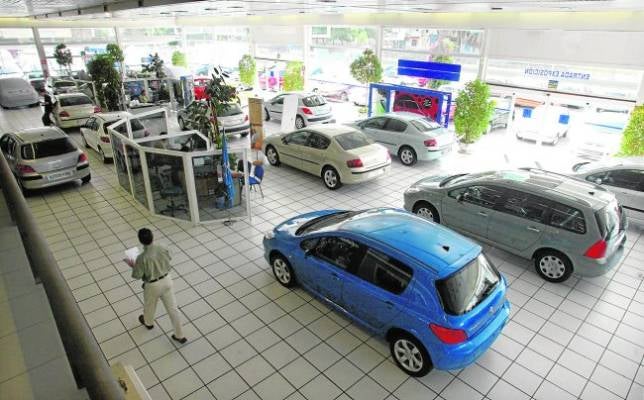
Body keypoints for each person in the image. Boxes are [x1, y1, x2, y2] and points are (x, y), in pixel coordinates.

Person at [125, 228, 187, 344]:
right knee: (173, 309)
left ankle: (148, 323)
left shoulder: (141, 258)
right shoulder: (163, 247)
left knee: (149, 306)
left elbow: (137, 275)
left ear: (141, 241)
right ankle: (180, 335)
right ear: (152, 236)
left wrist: (133, 265)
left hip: (152, 285)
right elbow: (170, 257)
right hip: (167, 280)